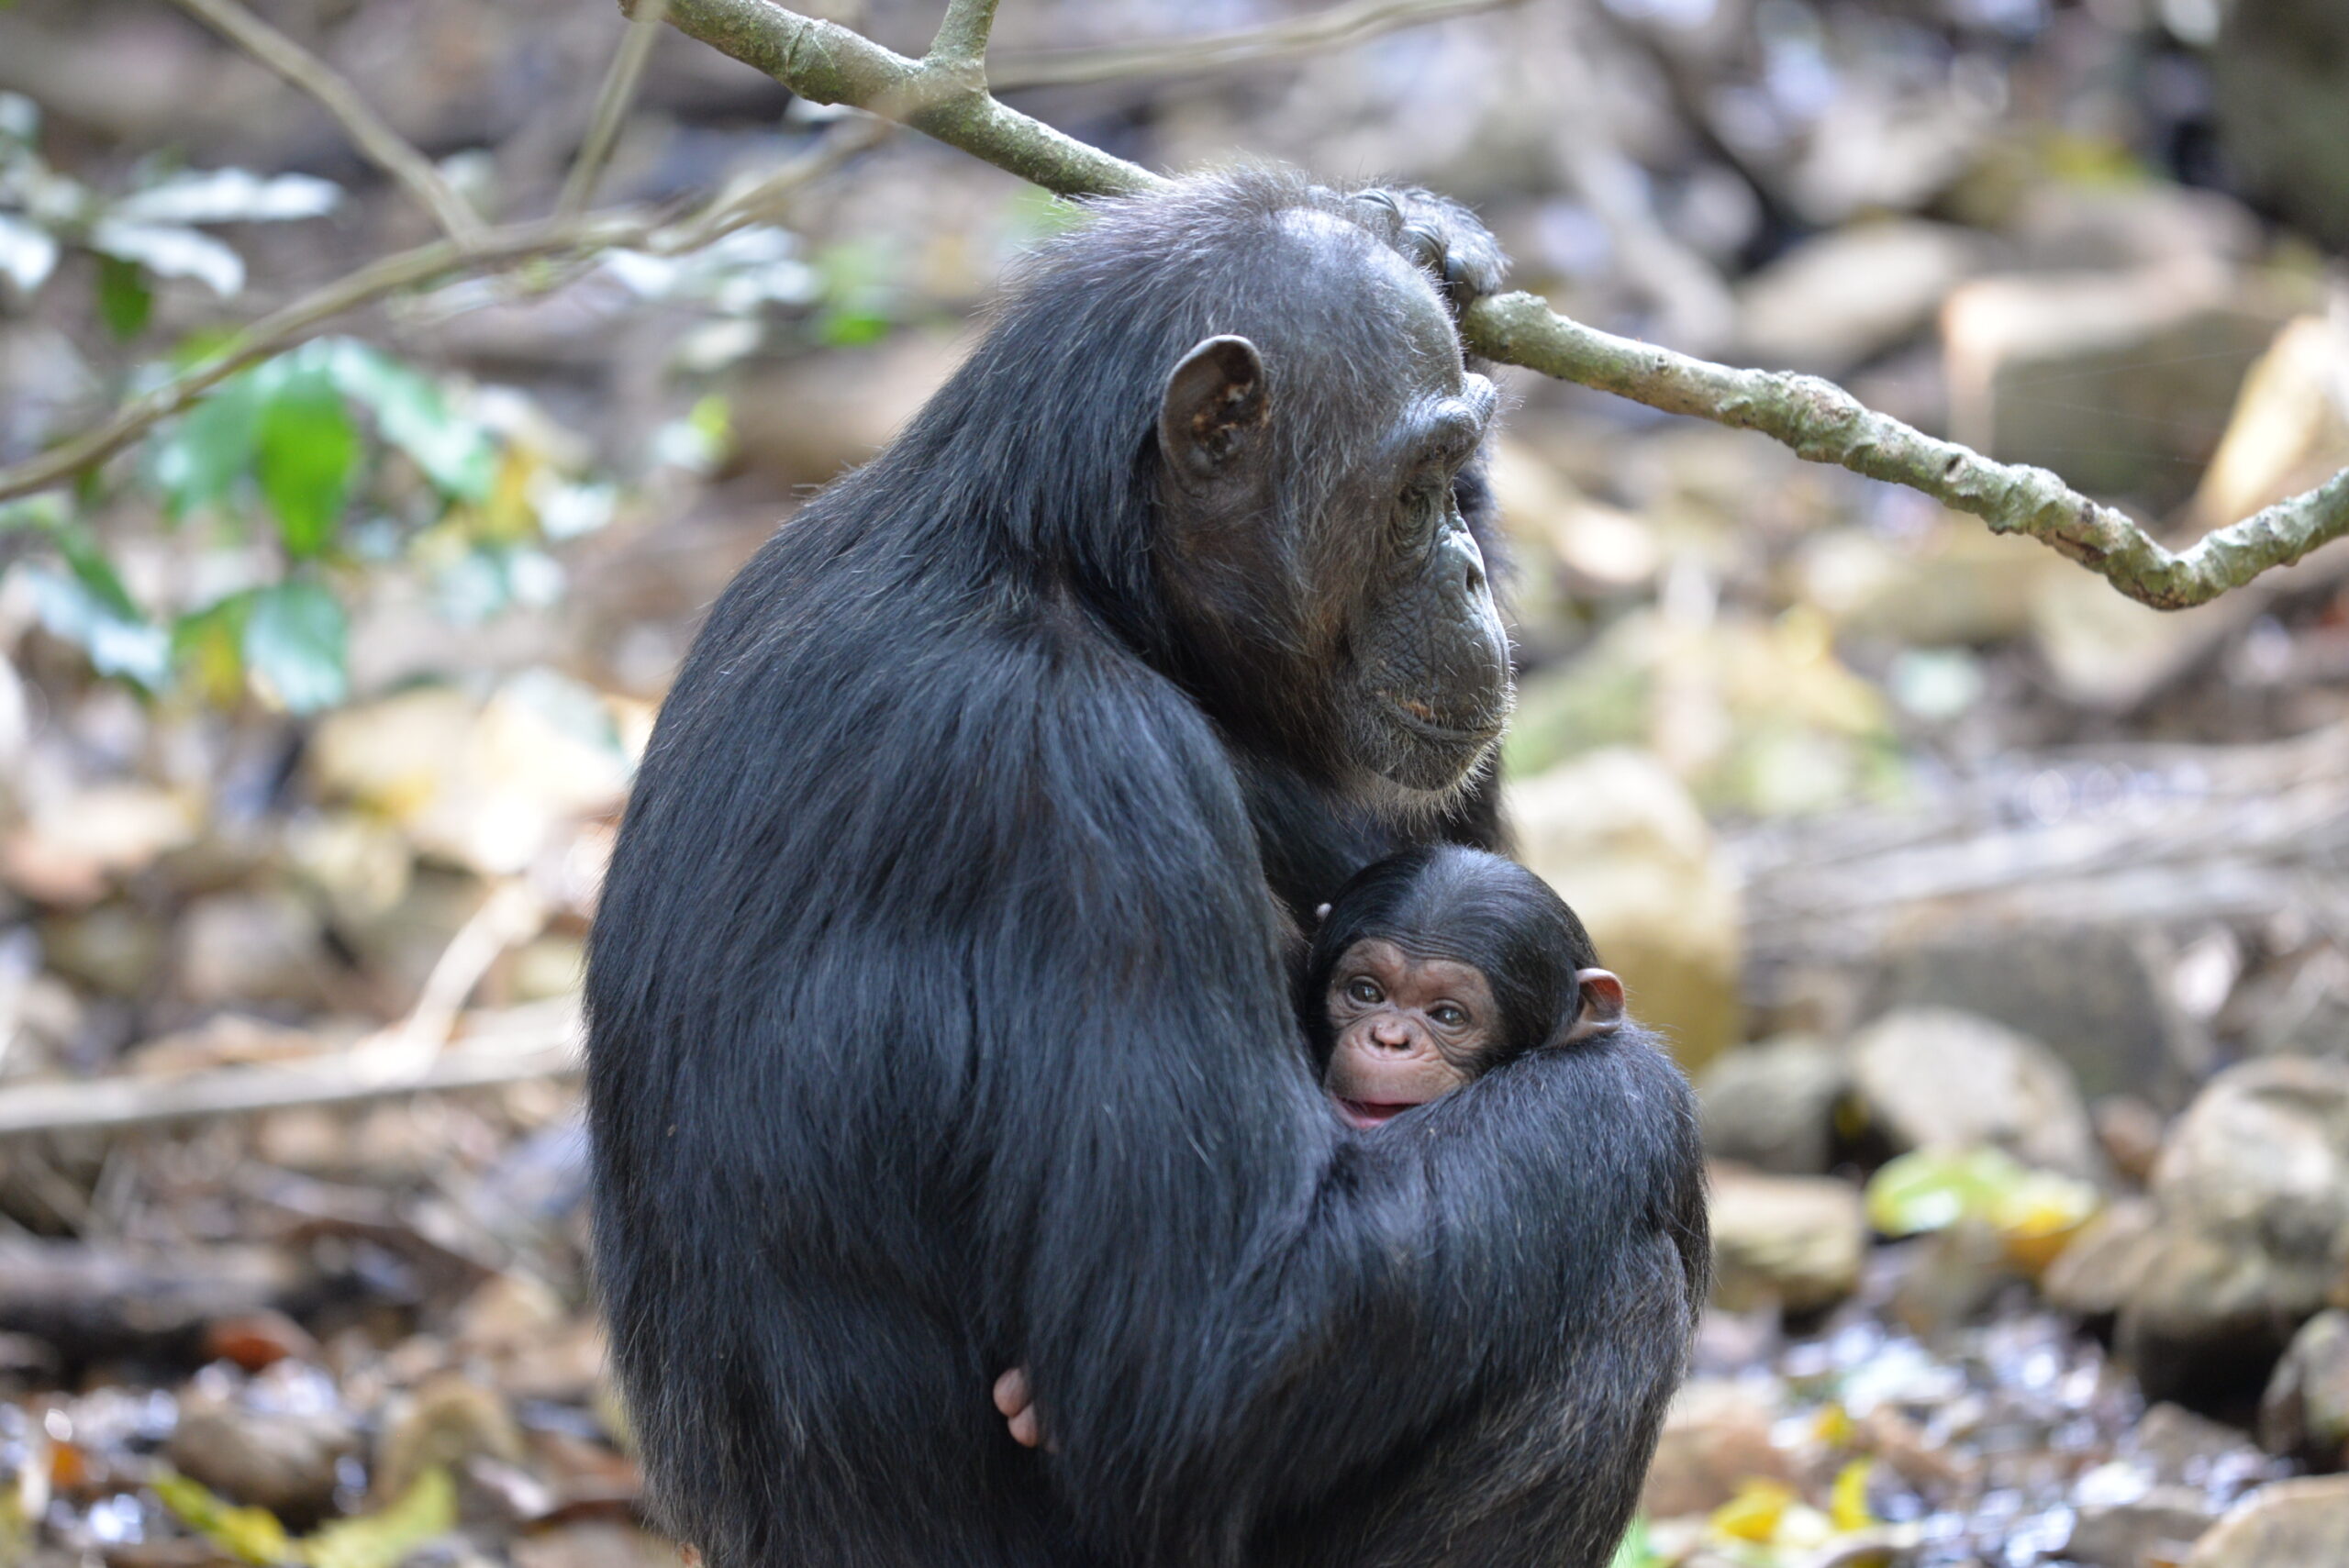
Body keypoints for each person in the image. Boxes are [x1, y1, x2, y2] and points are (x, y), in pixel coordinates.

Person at [995, 844, 1631, 1447]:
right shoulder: (1259, 1068)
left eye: (1447, 1015)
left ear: (1577, 1013)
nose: (1387, 1036)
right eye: (1364, 992)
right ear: (1318, 952)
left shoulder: (1553, 1140)